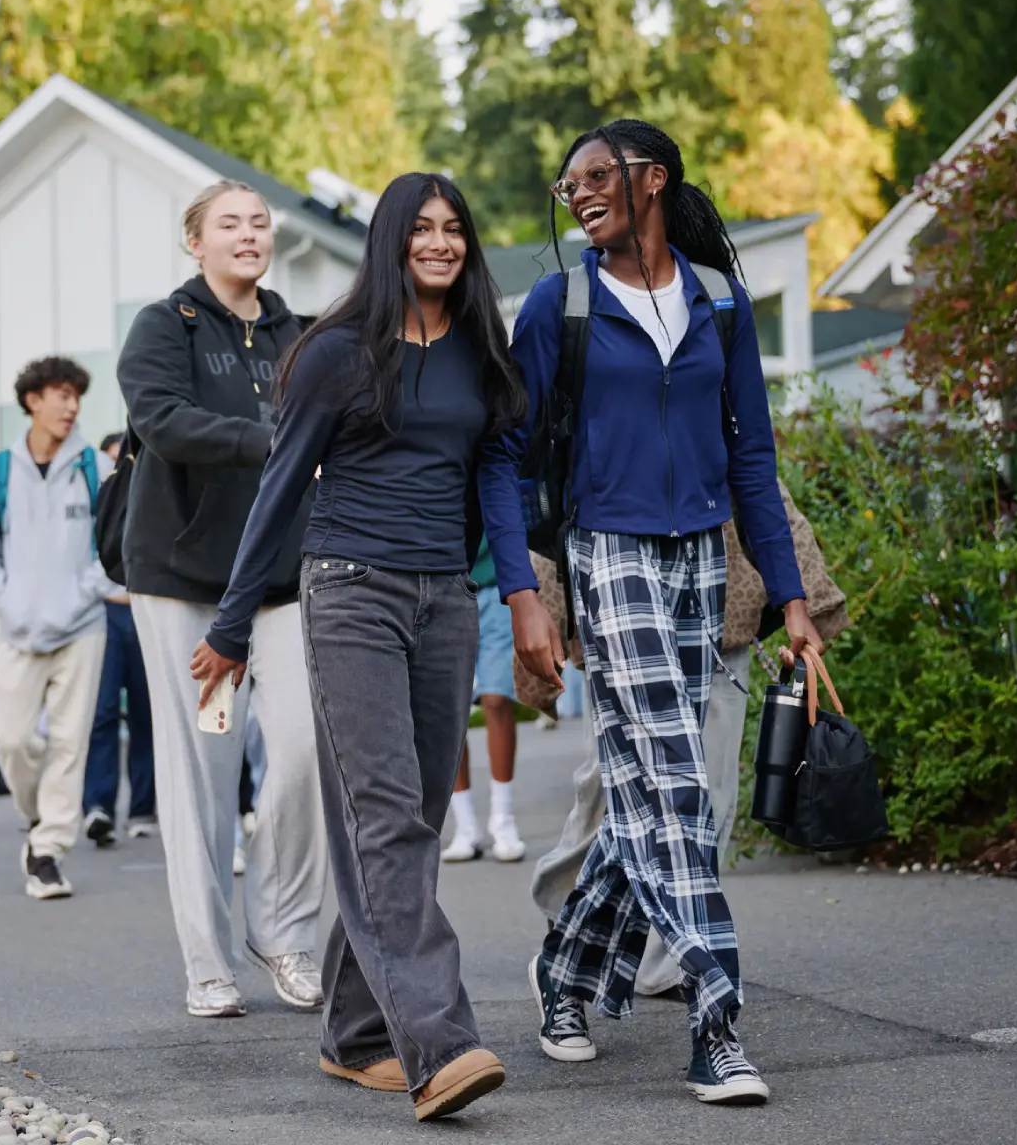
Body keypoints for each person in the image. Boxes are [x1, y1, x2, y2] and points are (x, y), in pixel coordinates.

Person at [478, 120, 825, 1106]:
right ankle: (717, 1018)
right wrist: (520, 596)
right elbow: (501, 460)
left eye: (595, 176)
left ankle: (565, 967)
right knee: (675, 779)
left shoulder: (717, 301)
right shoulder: (560, 305)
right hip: (607, 549)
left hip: (701, 554)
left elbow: (752, 459)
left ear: (652, 181)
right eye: (566, 183)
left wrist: (788, 599)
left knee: (645, 793)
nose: (576, 192)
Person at [192, 173, 524, 1121]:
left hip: (444, 603)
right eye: (420, 228)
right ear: (389, 241)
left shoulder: (476, 347)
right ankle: (441, 1043)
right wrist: (231, 626)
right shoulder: (336, 352)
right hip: (350, 596)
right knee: (387, 823)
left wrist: (520, 593)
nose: (440, 243)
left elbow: (496, 470)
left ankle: (351, 1031)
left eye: (454, 228)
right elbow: (281, 489)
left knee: (408, 817)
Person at [117, 180, 327, 1019]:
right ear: (194, 243)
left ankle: (282, 932)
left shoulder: (302, 335)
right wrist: (270, 440)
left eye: (260, 223)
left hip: (282, 581)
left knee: (306, 750)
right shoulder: (165, 327)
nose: (249, 234)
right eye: (229, 223)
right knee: (201, 772)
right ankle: (207, 963)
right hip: (186, 586)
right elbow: (159, 419)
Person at [530, 490, 851, 996]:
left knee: (710, 797)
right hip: (615, 596)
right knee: (614, 793)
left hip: (723, 609)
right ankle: (565, 906)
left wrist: (804, 598)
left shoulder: (715, 410)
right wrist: (540, 605)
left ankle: (666, 961)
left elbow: (760, 481)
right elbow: (559, 483)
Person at [0, 356, 110, 899]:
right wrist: (8, 601)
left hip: (82, 628)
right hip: (19, 632)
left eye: (76, 396)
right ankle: (35, 819)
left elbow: (114, 548)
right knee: (13, 741)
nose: (70, 406)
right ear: (32, 400)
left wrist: (85, 591)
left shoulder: (95, 467)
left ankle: (48, 851)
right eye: (60, 394)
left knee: (70, 744)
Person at [83, 432, 157, 844]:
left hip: (146, 607)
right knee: (103, 710)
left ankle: (144, 808)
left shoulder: (149, 492)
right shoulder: (102, 496)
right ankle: (98, 806)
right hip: (105, 609)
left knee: (147, 713)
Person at [441, 541, 524, 863]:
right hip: (441, 583)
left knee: (496, 699)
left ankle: (503, 822)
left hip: (494, 583)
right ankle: (466, 828)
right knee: (450, 709)